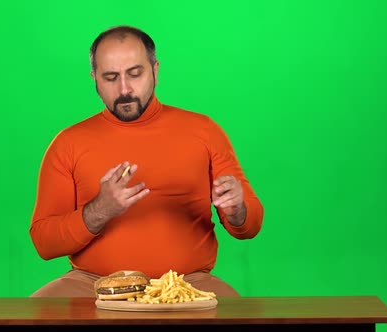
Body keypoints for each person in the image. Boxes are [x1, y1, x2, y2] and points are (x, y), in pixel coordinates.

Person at [29, 25, 264, 298]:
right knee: (32, 315)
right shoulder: (68, 143)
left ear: (155, 70)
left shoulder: (205, 131)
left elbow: (250, 226)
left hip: (189, 283)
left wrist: (237, 211)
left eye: (135, 73)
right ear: (94, 79)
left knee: (239, 316)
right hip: (93, 285)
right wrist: (100, 210)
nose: (125, 89)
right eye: (110, 77)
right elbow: (44, 243)